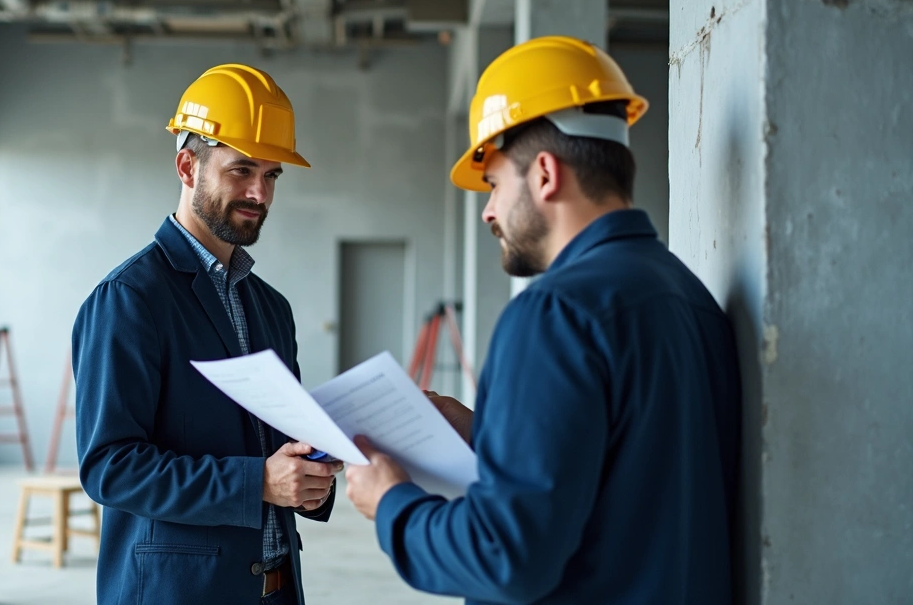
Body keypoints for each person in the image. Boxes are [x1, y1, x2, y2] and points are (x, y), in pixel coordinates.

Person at [344, 35, 742, 604]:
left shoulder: (553, 314)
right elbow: (632, 469)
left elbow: (503, 555)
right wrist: (486, 432)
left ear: (546, 175)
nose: (488, 211)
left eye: (494, 185)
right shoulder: (692, 300)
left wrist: (391, 503)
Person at [72, 64, 342, 605]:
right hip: (179, 592)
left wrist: (309, 479)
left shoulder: (271, 308)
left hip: (276, 588)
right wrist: (256, 483)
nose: (259, 193)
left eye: (271, 176)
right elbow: (110, 467)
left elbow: (273, 445)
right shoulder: (130, 298)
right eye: (242, 170)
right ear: (187, 166)